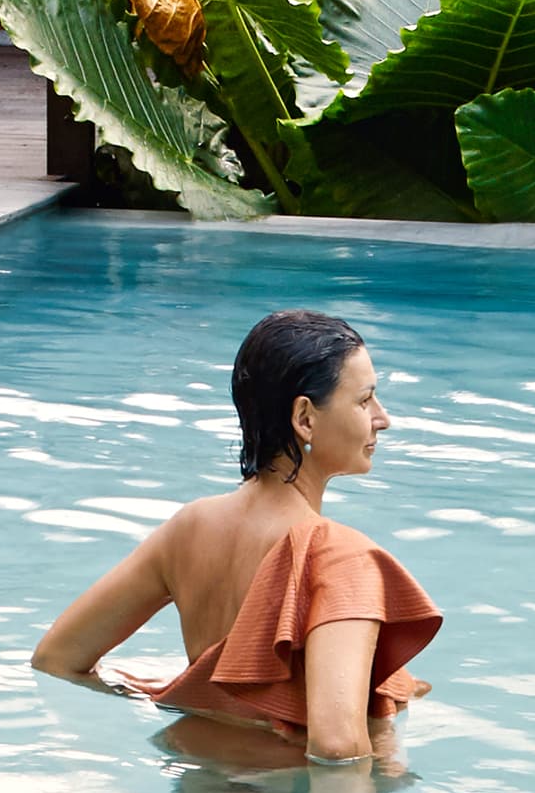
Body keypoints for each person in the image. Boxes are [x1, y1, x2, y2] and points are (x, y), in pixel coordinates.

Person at [29, 305, 440, 762]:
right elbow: (337, 746)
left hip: (201, 789)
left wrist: (163, 702)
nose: (382, 418)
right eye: (364, 400)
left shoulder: (189, 528)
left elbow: (56, 660)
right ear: (305, 418)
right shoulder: (341, 556)